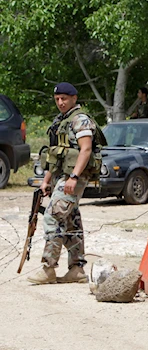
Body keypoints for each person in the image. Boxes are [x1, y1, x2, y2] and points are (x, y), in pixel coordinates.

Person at [27, 82, 101, 284]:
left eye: (64, 98)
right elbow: (54, 156)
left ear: (74, 99)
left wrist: (74, 177)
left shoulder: (81, 120)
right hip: (63, 176)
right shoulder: (61, 121)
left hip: (74, 177)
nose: (60, 102)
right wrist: (46, 181)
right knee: (71, 219)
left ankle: (49, 269)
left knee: (53, 215)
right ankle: (76, 270)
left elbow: (85, 150)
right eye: (57, 99)